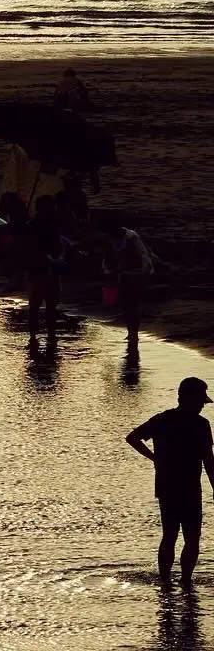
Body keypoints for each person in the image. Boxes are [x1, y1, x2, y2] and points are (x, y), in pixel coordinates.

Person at [126, 377, 214, 588]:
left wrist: (154, 458)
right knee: (192, 537)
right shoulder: (201, 425)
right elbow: (209, 461)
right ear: (189, 398)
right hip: (190, 489)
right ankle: (186, 583)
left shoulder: (162, 419)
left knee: (169, 535)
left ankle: (165, 583)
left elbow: (133, 438)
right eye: (200, 400)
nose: (202, 405)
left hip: (166, 487)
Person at [21, 194, 68, 336]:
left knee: (37, 306)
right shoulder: (41, 226)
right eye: (52, 207)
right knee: (46, 306)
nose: (54, 210)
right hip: (41, 271)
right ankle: (48, 337)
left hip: (40, 271)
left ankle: (35, 338)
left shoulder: (33, 226)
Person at [104, 220, 155, 346]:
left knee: (132, 304)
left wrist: (145, 270)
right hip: (123, 274)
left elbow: (143, 255)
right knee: (126, 305)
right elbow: (110, 257)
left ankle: (134, 333)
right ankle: (131, 332)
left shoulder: (131, 237)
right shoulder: (113, 239)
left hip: (135, 274)